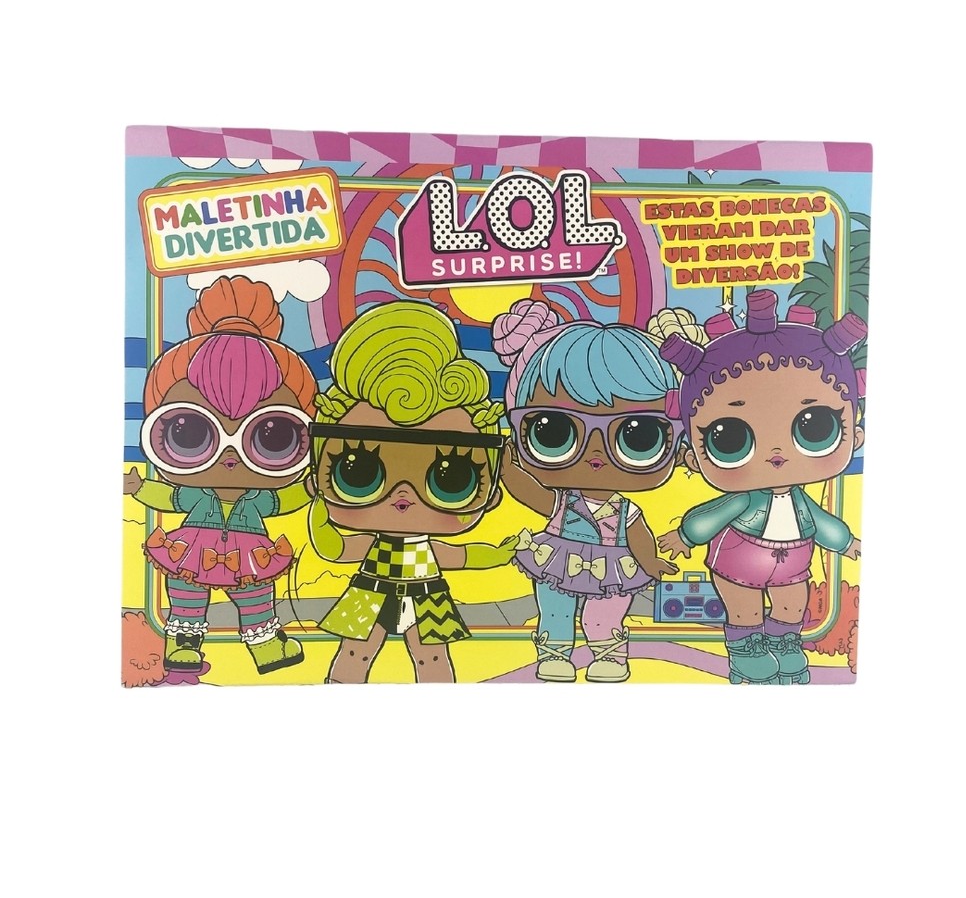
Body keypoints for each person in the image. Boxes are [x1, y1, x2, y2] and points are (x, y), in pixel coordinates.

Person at [657, 289, 866, 685]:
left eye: (814, 427)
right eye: (729, 438)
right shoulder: (746, 499)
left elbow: (820, 521)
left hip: (793, 562)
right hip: (738, 560)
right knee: (745, 610)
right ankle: (746, 654)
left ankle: (785, 645)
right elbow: (716, 513)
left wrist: (844, 541)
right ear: (693, 453)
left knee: (792, 606)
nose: (776, 454)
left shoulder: (799, 500)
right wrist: (686, 535)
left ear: (854, 436)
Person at [306, 300, 517, 683]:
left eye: (452, 480)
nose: (403, 497)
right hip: (371, 591)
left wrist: (499, 555)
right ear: (317, 476)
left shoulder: (426, 550)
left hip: (425, 594)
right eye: (358, 472)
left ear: (492, 491)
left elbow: (463, 556)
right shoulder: (378, 545)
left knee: (431, 656)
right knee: (356, 651)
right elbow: (336, 549)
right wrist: (319, 518)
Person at [124, 275, 316, 675]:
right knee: (187, 594)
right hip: (193, 549)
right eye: (191, 433)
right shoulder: (197, 495)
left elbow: (285, 499)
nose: (230, 456)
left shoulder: (258, 499)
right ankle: (184, 643)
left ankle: (265, 645)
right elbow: (169, 497)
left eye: (272, 436)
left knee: (257, 596)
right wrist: (140, 488)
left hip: (249, 553)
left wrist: (312, 488)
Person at [491, 299, 688, 682]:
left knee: (605, 615)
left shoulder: (625, 509)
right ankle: (554, 655)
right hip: (557, 560)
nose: (595, 456)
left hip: (614, 567)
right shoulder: (563, 502)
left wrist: (650, 562)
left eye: (639, 435)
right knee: (556, 611)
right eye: (553, 431)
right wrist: (507, 466)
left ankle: (609, 656)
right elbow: (528, 492)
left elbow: (639, 535)